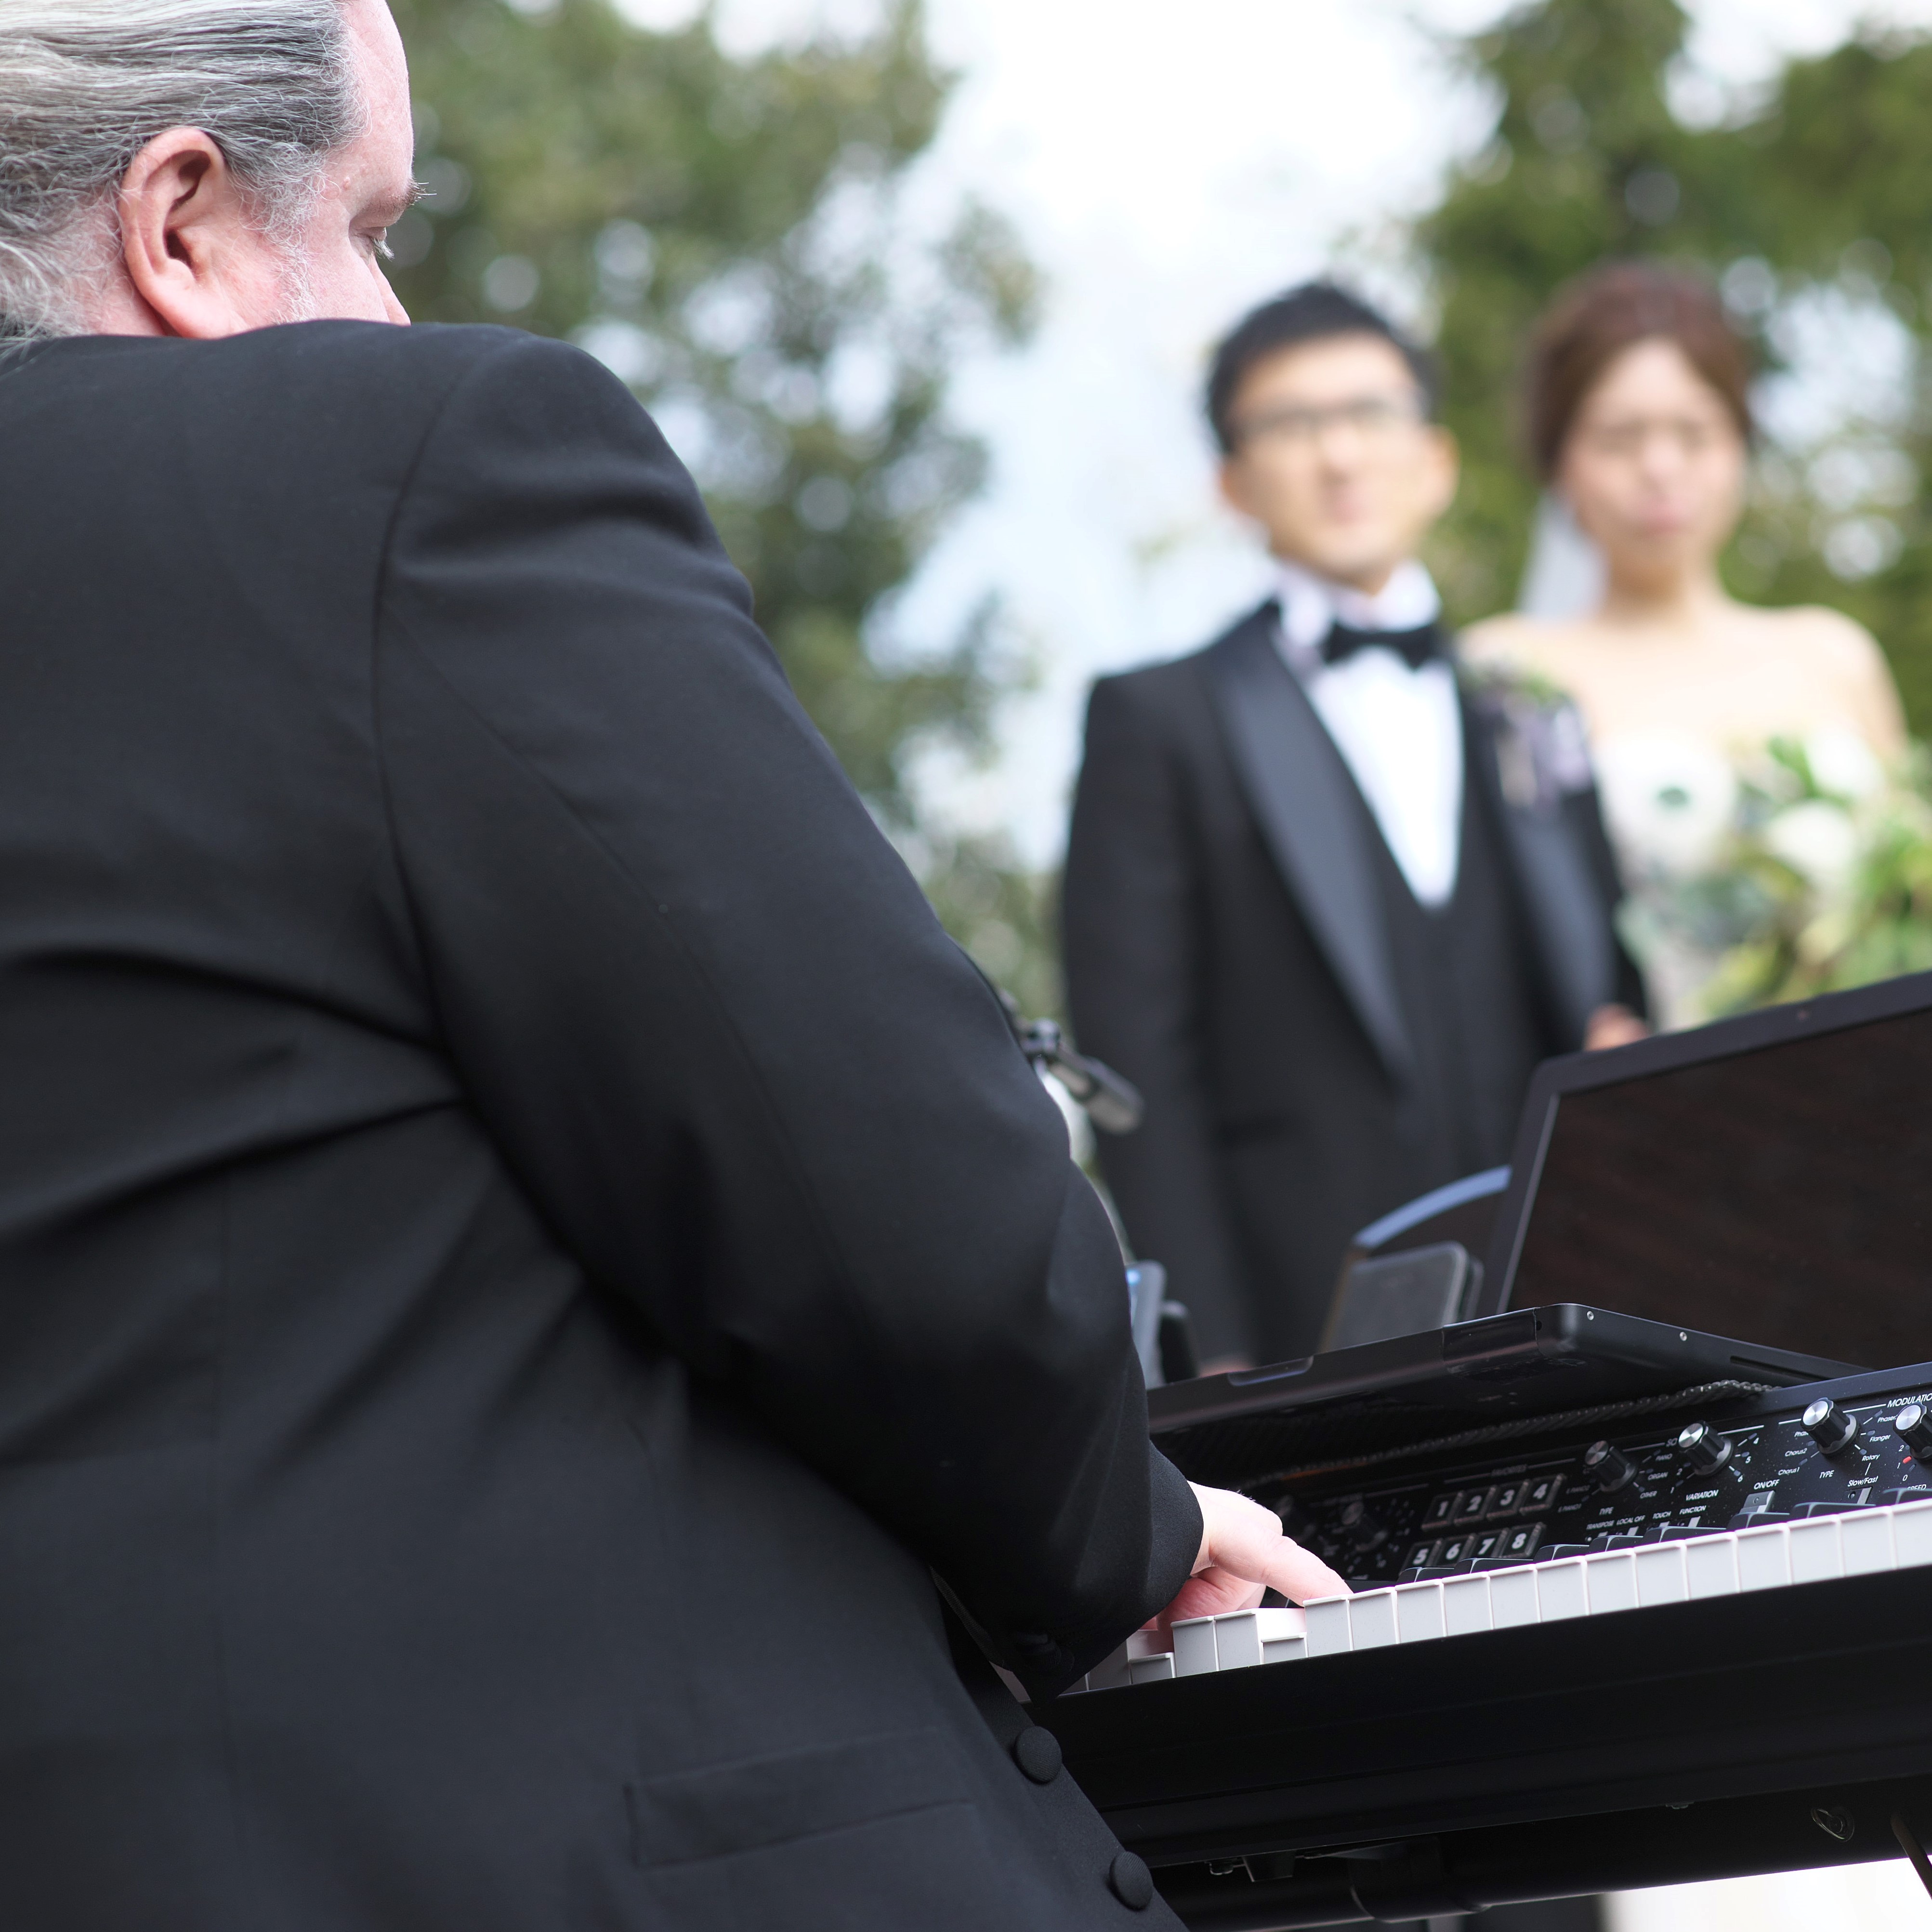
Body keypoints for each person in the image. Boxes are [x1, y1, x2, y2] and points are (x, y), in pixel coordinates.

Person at [0, 4, 1346, 1926]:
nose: (393, 311)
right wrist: (1118, 1525)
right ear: (182, 219)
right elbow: (877, 1178)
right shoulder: (393, 466)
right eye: (376, 227)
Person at [1063, 283, 1644, 1373]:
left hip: (1565, 1301)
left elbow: (1607, 984)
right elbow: (1138, 1066)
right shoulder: (1158, 720)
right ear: (1232, 482)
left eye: (1370, 414)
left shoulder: (1526, 708)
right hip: (1305, 1322)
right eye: (1291, 424)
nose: (1338, 456)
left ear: (1436, 458)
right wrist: (1215, 1347)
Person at [1464, 262, 1909, 1026]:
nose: (1661, 469)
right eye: (1619, 438)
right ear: (1559, 461)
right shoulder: (1504, 669)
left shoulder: (1835, 654)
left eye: (1695, 433)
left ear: (1741, 445)